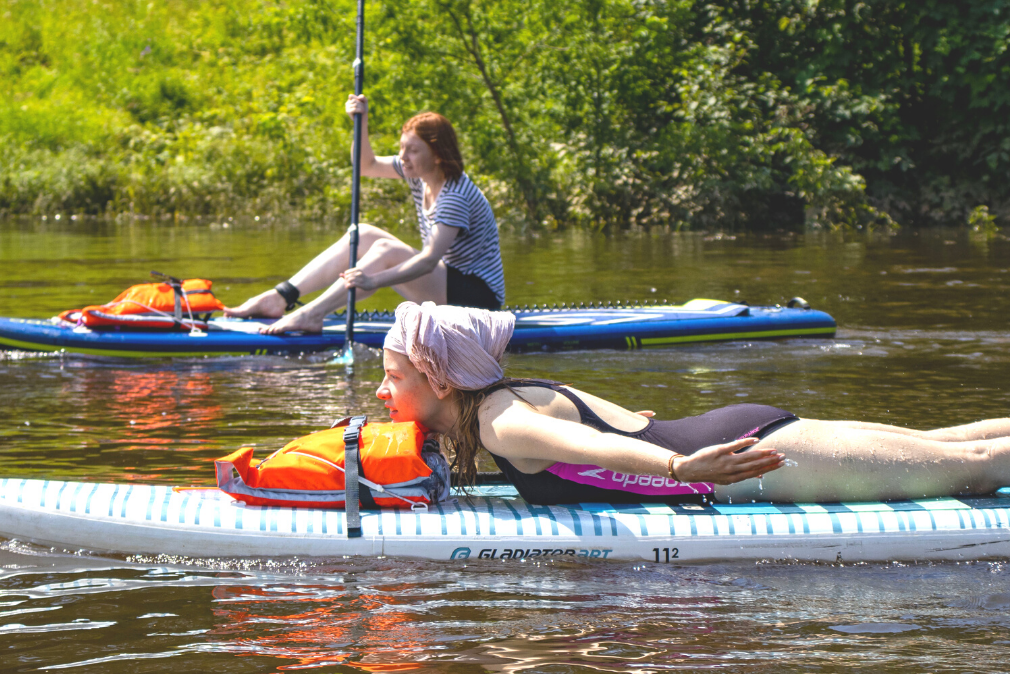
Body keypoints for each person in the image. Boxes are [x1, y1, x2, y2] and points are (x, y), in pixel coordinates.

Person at [376, 301, 1010, 505]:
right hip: (736, 436)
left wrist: (683, 470)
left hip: (749, 456)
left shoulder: (501, 422)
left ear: (440, 381)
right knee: (952, 438)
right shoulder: (496, 403)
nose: (381, 393)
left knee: (975, 468)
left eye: (392, 376)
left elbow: (594, 447)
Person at [226, 97, 505, 335]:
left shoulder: (454, 197)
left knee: (386, 248)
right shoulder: (419, 172)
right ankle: (281, 296)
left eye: (413, 150)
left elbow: (428, 261)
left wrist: (373, 281)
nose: (403, 156)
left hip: (477, 301)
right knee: (363, 232)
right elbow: (366, 165)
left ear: (438, 155)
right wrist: (361, 120)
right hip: (448, 284)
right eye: (402, 147)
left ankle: (313, 314)